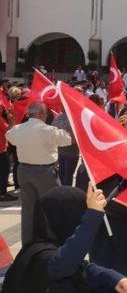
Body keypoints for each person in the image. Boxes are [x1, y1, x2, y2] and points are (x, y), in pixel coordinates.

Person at [2, 185, 127, 293]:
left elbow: (80, 265)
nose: (79, 222)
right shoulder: (40, 255)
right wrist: (92, 217)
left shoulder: (51, 244)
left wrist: (112, 277)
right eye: (79, 216)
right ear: (64, 219)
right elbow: (64, 264)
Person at [5, 102, 71, 243]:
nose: (47, 115)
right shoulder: (48, 130)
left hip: (24, 171)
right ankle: (54, 241)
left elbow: (9, 136)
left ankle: (27, 243)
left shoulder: (19, 128)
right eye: (46, 113)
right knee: (53, 206)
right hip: (44, 172)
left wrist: (12, 122)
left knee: (28, 210)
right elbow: (67, 140)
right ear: (41, 114)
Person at [51, 111, 80, 187]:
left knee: (61, 172)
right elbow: (75, 136)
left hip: (60, 149)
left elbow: (52, 130)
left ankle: (60, 190)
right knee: (68, 174)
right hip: (72, 150)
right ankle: (66, 193)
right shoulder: (73, 118)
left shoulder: (57, 118)